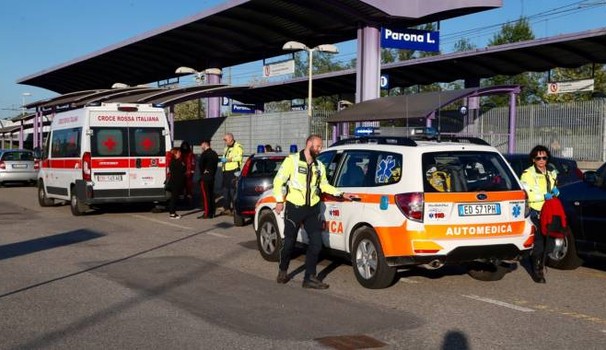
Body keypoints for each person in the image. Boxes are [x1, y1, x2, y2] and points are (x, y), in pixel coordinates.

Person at [273, 134, 357, 289]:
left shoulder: (319, 166)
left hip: (312, 208)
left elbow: (324, 185)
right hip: (294, 207)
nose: (320, 149)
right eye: (317, 146)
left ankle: (309, 277)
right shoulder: (292, 161)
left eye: (320, 147)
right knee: (290, 243)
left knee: (317, 244)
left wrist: (341, 194)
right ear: (308, 144)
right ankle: (283, 270)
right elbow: (279, 180)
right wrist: (279, 200)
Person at [520, 145, 559, 283]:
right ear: (533, 159)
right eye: (538, 158)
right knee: (539, 243)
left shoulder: (551, 173)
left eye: (544, 157)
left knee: (550, 244)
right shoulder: (528, 174)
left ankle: (540, 261)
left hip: (549, 211)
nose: (541, 160)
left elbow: (554, 187)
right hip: (536, 212)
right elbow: (528, 193)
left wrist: (556, 191)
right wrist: (544, 196)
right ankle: (537, 270)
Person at [220, 133, 244, 215]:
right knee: (225, 190)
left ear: (230, 138)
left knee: (233, 190)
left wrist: (228, 160)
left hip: (234, 171)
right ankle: (226, 208)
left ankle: (235, 209)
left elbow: (239, 157)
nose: (225, 141)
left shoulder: (238, 146)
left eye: (226, 140)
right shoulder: (226, 147)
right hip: (226, 171)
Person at [198, 139, 218, 219]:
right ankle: (212, 212)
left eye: (201, 144)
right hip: (212, 176)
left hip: (205, 177)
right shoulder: (214, 153)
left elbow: (201, 165)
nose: (201, 146)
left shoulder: (204, 154)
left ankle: (207, 213)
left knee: (206, 196)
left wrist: (204, 171)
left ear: (205, 144)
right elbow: (215, 165)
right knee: (211, 194)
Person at [167, 147, 186, 219]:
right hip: (176, 182)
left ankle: (172, 212)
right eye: (179, 152)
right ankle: (172, 213)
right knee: (174, 198)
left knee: (174, 198)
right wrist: (183, 165)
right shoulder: (177, 161)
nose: (180, 153)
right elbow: (183, 169)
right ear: (175, 153)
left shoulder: (173, 161)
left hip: (174, 182)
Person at [180, 141, 196, 205]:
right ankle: (183, 198)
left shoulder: (190, 154)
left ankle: (189, 199)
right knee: (182, 186)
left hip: (189, 172)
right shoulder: (180, 153)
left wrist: (192, 170)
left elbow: (193, 162)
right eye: (184, 146)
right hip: (182, 171)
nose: (185, 147)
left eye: (185, 146)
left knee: (189, 186)